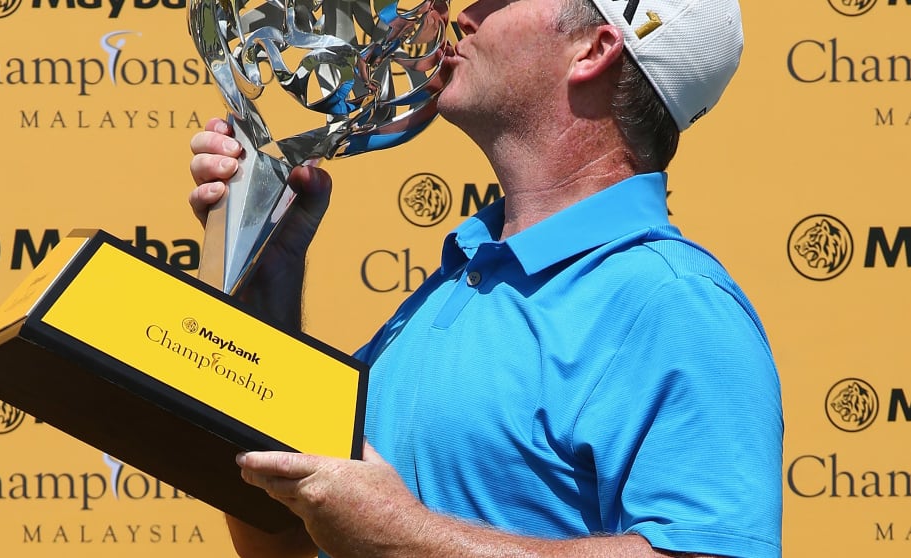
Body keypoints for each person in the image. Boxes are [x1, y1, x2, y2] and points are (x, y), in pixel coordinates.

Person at [188, 0, 783, 556]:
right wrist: (270, 277)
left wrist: (406, 539)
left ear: (593, 51)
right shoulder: (462, 278)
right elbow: (283, 536)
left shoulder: (673, 299)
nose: (466, 13)